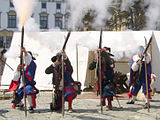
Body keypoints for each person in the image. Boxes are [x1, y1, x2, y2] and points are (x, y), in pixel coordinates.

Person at [9, 47, 38, 113]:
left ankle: (30, 106)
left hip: (28, 84)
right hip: (22, 86)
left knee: (28, 90)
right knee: (16, 97)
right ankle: (20, 103)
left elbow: (28, 58)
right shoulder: (23, 66)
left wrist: (25, 51)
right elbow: (16, 78)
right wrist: (18, 70)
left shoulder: (32, 64)